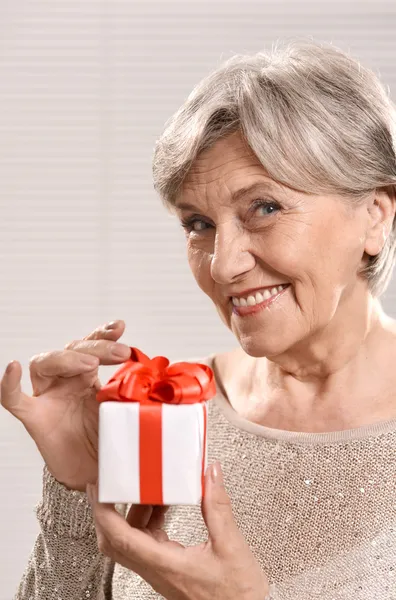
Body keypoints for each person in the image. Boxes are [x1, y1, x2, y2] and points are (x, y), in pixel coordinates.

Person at [2, 37, 396, 600]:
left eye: (264, 208)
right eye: (197, 223)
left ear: (374, 216)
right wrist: (82, 491)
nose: (223, 264)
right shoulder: (166, 413)